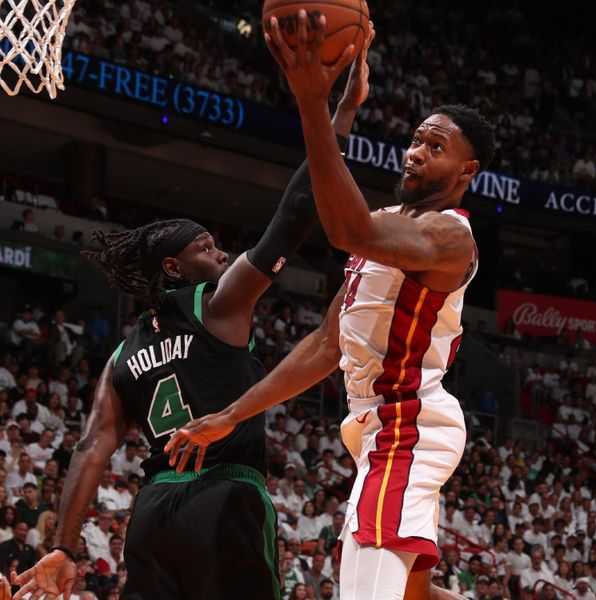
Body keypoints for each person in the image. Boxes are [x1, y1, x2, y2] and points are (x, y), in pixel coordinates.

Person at [11, 57, 371, 600]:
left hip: (153, 517)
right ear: (174, 270)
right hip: (226, 498)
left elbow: (90, 448)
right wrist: (340, 114)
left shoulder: (120, 355)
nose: (222, 253)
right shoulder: (216, 303)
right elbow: (293, 216)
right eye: (205, 247)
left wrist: (63, 544)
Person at [166, 13, 494, 600]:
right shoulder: (390, 224)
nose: (416, 152)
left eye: (435, 147)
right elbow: (325, 345)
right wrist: (233, 414)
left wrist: (313, 105)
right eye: (416, 139)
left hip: (407, 424)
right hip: (376, 430)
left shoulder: (449, 237)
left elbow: (346, 229)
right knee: (413, 595)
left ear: (466, 171)